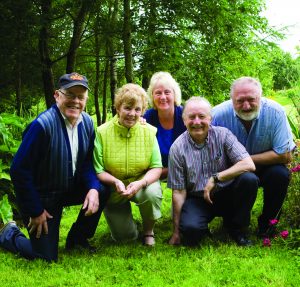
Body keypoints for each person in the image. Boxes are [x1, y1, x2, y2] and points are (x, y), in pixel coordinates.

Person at [0, 72, 109, 262]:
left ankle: (77, 239)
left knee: (103, 189)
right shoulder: (42, 126)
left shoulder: (88, 124)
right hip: (43, 197)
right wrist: (35, 210)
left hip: (68, 188)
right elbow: (19, 170)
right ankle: (8, 233)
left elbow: (86, 163)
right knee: (44, 257)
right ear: (57, 95)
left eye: (80, 96)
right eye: (70, 95)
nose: (75, 101)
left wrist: (92, 187)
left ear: (86, 100)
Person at [168, 97, 258, 247]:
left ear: (210, 118)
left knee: (249, 179)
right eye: (191, 117)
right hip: (197, 198)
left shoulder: (223, 135)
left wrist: (216, 178)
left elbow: (248, 163)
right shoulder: (177, 148)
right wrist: (176, 232)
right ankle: (201, 228)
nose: (197, 122)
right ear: (184, 120)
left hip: (227, 193)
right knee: (191, 232)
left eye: (202, 116)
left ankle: (237, 228)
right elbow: (178, 192)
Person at [212, 76, 296, 237]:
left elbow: (285, 155)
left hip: (266, 168)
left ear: (260, 97)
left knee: (280, 174)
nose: (246, 105)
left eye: (251, 99)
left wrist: (245, 160)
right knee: (246, 178)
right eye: (240, 101)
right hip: (233, 171)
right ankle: (235, 224)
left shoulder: (276, 112)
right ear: (231, 99)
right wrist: (240, 167)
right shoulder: (218, 115)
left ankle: (268, 224)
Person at [93, 83, 162, 246]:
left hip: (140, 182)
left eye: (137, 109)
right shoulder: (101, 132)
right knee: (125, 238)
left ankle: (148, 231)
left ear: (143, 111)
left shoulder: (149, 131)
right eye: (127, 108)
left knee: (151, 193)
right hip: (113, 188)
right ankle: (129, 226)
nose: (132, 114)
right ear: (118, 107)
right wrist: (115, 182)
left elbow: (157, 167)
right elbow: (98, 169)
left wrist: (141, 183)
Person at [144, 72, 186, 179]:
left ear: (174, 94)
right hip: (153, 170)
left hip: (184, 170)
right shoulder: (145, 118)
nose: (163, 97)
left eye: (167, 92)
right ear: (152, 96)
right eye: (158, 93)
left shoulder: (186, 116)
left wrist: (167, 171)